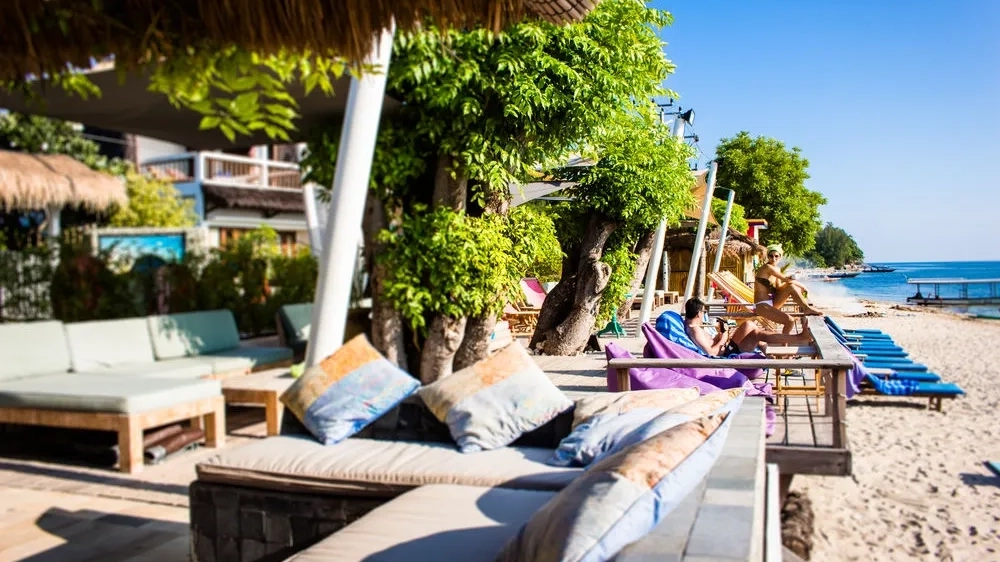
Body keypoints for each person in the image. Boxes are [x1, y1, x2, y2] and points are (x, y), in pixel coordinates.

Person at [683, 298, 812, 356]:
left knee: (749, 324)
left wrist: (719, 337)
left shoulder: (692, 326)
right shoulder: (695, 331)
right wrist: (725, 336)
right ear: (699, 313)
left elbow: (710, 345)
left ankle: (769, 353)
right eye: (704, 312)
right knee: (757, 334)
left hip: (727, 347)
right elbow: (711, 353)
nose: (704, 315)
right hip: (727, 353)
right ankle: (799, 338)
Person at [753, 244, 823, 334]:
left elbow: (779, 287)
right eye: (771, 256)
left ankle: (806, 308)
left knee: (791, 287)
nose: (773, 259)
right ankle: (784, 342)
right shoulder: (767, 267)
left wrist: (792, 286)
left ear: (780, 257)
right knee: (790, 321)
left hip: (772, 303)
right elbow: (785, 280)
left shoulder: (777, 269)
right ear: (767, 256)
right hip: (761, 305)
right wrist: (802, 286)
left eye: (776, 256)